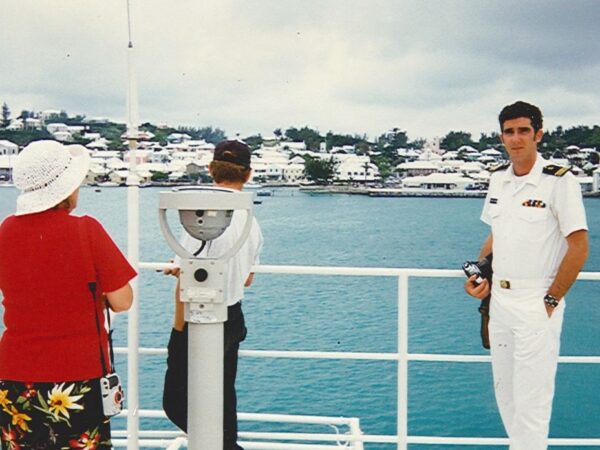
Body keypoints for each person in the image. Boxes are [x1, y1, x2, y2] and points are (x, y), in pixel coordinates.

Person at [464, 101, 589, 450]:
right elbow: (494, 237)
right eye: (509, 131)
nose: (516, 138)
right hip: (500, 302)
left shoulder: (558, 182)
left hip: (537, 302)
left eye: (523, 131)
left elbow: (579, 247)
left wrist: (550, 301)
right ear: (501, 136)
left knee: (532, 405)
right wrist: (479, 276)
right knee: (508, 400)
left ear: (538, 134)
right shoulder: (498, 180)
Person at [0, 140, 137, 449]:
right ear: (66, 189)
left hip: (14, 374)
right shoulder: (86, 230)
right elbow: (123, 300)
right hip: (78, 375)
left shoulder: (5, 230)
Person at [163, 140, 263, 450]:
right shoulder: (252, 223)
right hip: (233, 316)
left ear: (210, 170)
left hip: (198, 317)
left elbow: (188, 268)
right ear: (248, 175)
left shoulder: (201, 217)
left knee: (176, 401)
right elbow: (247, 278)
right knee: (222, 396)